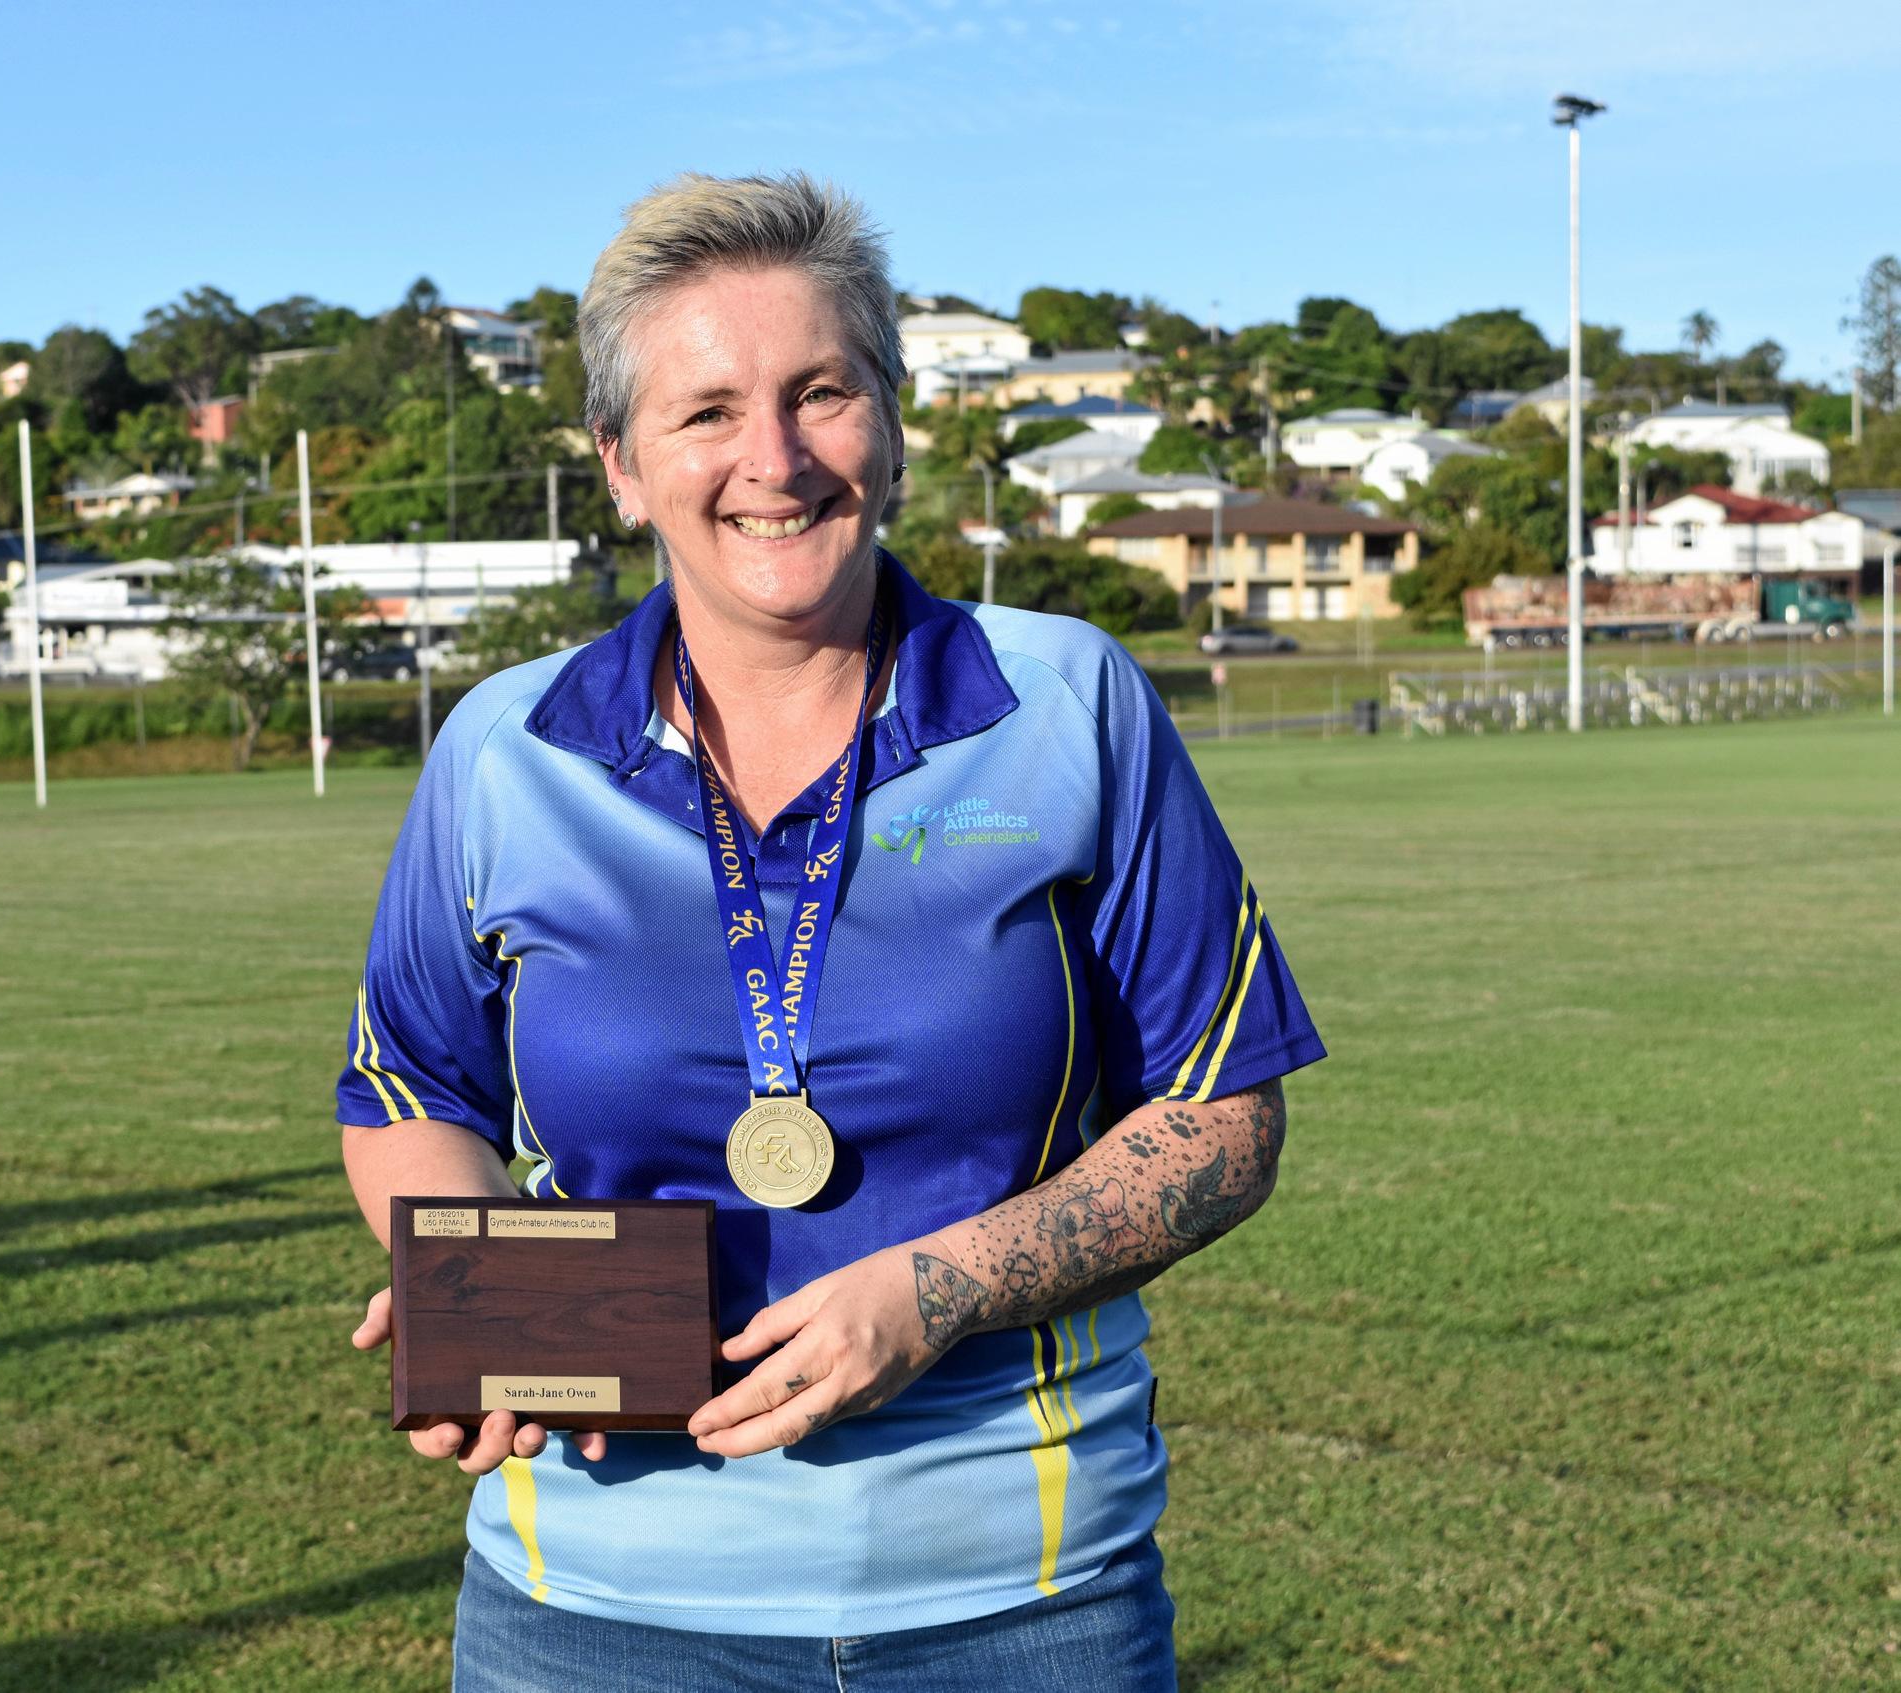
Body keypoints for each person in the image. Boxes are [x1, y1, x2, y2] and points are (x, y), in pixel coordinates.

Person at [338, 172, 1324, 1692]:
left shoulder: (1064, 701)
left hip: (1022, 1601)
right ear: (617, 463)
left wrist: (940, 1289)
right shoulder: (501, 751)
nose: (774, 461)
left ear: (894, 420)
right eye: (705, 411)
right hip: (590, 1609)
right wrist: (478, 1297)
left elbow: (1219, 1116)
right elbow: (411, 1097)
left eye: (820, 394)